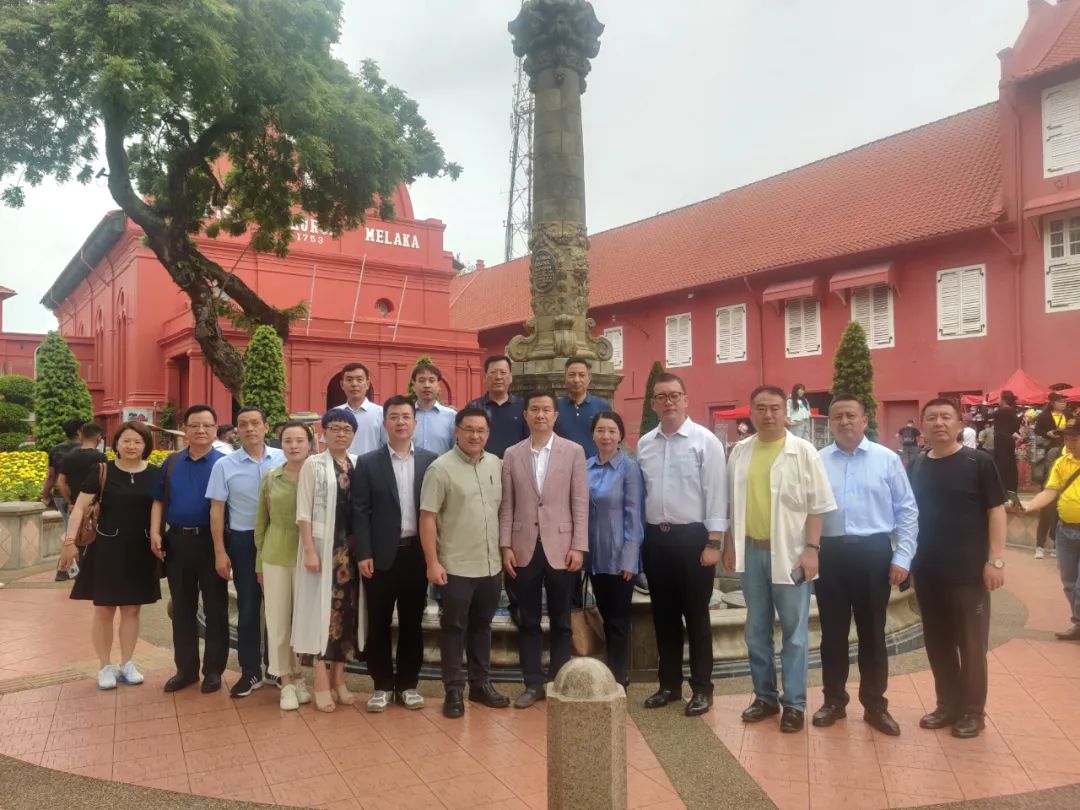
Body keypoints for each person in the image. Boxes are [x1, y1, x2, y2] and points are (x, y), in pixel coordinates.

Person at [724, 385, 835, 733]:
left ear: (785, 412)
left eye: (774, 408)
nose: (768, 414)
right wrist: (729, 544)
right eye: (761, 408)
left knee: (795, 633)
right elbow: (731, 504)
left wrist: (812, 549)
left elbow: (818, 506)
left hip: (791, 554)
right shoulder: (740, 451)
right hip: (751, 551)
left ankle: (795, 703)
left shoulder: (803, 451)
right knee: (756, 630)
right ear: (751, 412)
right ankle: (765, 697)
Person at [814, 395, 919, 736]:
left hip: (873, 552)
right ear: (830, 423)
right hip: (829, 553)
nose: (844, 421)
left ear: (864, 420)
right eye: (837, 416)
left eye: (851, 415)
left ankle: (875, 705)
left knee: (873, 632)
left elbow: (907, 510)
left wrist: (902, 557)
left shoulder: (886, 459)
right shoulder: (817, 461)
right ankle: (834, 701)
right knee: (832, 633)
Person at [908, 398, 1006, 739]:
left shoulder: (978, 462)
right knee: (938, 643)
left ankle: (973, 712)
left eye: (946, 417)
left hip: (968, 573)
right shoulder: (917, 465)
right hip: (928, 571)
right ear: (922, 426)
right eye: (931, 418)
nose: (939, 423)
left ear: (959, 424)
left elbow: (996, 511)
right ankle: (947, 705)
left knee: (971, 645)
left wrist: (995, 560)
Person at [637, 373, 728, 717]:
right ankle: (669, 685)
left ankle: (702, 688)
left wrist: (714, 542)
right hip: (656, 540)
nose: (669, 401)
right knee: (664, 616)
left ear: (686, 400)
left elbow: (717, 493)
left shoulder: (705, 441)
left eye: (675, 395)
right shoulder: (645, 444)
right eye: (662, 396)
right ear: (653, 404)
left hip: (693, 539)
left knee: (697, 617)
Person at [419, 406, 511, 718]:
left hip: (489, 564)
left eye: (481, 430)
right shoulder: (440, 469)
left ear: (488, 433)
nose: (475, 435)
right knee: (453, 628)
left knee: (482, 627)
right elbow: (428, 518)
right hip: (455, 565)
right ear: (456, 431)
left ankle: (480, 684)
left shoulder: (496, 464)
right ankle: (453, 690)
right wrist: (432, 562)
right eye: (469, 429)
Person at [500, 390, 589, 708]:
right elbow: (507, 505)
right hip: (523, 546)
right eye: (534, 409)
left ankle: (558, 681)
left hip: (562, 547)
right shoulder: (512, 454)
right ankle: (533, 682)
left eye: (546, 410)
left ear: (555, 415)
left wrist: (579, 546)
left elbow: (580, 502)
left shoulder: (573, 451)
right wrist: (505, 545)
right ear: (525, 415)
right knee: (528, 620)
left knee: (562, 620)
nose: (540, 415)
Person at [59, 421, 161, 690]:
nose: (131, 446)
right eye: (126, 440)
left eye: (137, 441)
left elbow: (159, 508)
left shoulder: (155, 473)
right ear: (116, 443)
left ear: (146, 445)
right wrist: (69, 541)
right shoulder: (103, 470)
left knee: (132, 608)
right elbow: (79, 508)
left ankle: (127, 663)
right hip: (107, 548)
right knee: (104, 609)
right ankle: (105, 666)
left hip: (140, 549)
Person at [353, 396, 437, 712]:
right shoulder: (368, 462)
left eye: (405, 416)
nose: (400, 422)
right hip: (380, 556)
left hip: (416, 554)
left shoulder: (431, 461)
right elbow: (360, 512)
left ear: (414, 422)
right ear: (385, 422)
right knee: (378, 621)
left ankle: (408, 684)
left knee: (413, 622)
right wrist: (364, 552)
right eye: (394, 417)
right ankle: (382, 685)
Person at [206, 405, 285, 698]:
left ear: (266, 427)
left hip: (279, 539)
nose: (250, 428)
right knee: (249, 607)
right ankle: (250, 671)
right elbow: (217, 510)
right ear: (236, 430)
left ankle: (277, 667)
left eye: (255, 423)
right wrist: (220, 551)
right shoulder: (224, 465)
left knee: (278, 606)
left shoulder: (283, 458)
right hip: (243, 542)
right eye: (243, 424)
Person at [150, 405, 228, 694]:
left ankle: (213, 671)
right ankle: (185, 670)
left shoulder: (224, 463)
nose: (201, 430)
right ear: (185, 429)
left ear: (215, 430)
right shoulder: (171, 462)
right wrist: (155, 532)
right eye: (194, 425)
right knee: (182, 608)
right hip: (178, 542)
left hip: (212, 542)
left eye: (207, 425)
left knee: (216, 608)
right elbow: (158, 500)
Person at [294, 409, 363, 712]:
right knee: (320, 615)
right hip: (323, 549)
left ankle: (339, 679)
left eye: (346, 429)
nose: (340, 434)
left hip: (351, 553)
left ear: (354, 434)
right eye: (334, 428)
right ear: (324, 432)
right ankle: (320, 681)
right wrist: (309, 549)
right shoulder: (313, 464)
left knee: (346, 615)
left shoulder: (358, 463)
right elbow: (303, 511)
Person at [255, 421, 314, 711]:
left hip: (309, 558)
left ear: (310, 445)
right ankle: (286, 680)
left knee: (302, 622)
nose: (293, 445)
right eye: (288, 440)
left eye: (299, 440)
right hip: (276, 555)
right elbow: (261, 522)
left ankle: (300, 674)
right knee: (278, 621)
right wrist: (259, 563)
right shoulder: (271, 478)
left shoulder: (319, 476)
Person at [586, 410, 644, 688]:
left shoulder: (629, 468)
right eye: (600, 430)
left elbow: (634, 513)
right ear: (593, 434)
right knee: (604, 616)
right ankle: (607, 669)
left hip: (619, 556)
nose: (606, 436)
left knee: (618, 620)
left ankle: (618, 676)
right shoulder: (585, 467)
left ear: (620, 435)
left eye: (611, 430)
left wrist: (630, 558)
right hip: (593, 556)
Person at [1024, 420, 1080, 639]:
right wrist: (1030, 506)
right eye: (1067, 439)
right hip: (1065, 531)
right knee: (1069, 583)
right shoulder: (1062, 462)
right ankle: (1078, 624)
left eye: (1074, 438)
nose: (1070, 443)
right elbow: (1050, 491)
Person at [41, 417, 83, 580]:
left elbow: (51, 476)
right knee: (73, 532)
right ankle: (64, 569)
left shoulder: (56, 449)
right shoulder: (86, 449)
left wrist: (45, 495)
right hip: (79, 496)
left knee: (70, 529)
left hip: (60, 496)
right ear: (79, 431)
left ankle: (72, 568)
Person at [467, 354, 528, 459]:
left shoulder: (523, 406)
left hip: (515, 463)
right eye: (493, 373)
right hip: (482, 464)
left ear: (511, 377)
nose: (498, 377)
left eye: (503, 372)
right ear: (485, 378)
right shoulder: (474, 407)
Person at [1034, 393, 1069, 558]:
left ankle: (1056, 545)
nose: (1063, 405)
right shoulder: (1044, 416)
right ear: (1053, 403)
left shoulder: (1069, 416)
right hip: (1049, 459)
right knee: (1047, 509)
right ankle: (1039, 545)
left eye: (1065, 402)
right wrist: (1047, 433)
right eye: (1061, 402)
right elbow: (1037, 430)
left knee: (1059, 510)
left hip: (1064, 467)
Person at [554, 356, 611, 459]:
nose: (576, 380)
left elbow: (610, 438)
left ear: (589, 378)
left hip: (595, 466)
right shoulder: (555, 407)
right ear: (565, 378)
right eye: (572, 375)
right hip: (563, 465)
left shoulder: (602, 406)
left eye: (581, 375)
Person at [330, 362, 387, 455]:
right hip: (341, 464)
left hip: (371, 464)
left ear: (367, 384)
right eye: (349, 380)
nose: (354, 384)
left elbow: (387, 445)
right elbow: (328, 444)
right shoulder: (334, 413)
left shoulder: (381, 413)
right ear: (342, 385)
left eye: (359, 380)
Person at [58, 422, 107, 519]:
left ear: (81, 436)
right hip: (94, 507)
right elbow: (105, 481)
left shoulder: (69, 457)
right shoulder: (101, 457)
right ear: (99, 438)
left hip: (75, 506)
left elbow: (60, 483)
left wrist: (71, 502)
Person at [412, 362, 456, 455]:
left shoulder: (451, 416)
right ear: (414, 385)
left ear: (438, 386)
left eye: (431, 381)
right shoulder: (406, 416)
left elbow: (456, 449)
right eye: (421, 381)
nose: (427, 385)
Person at [992, 390, 1022, 509]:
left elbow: (985, 416)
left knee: (1001, 468)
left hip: (1001, 442)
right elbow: (1015, 428)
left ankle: (1002, 496)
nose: (997, 400)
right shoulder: (1013, 411)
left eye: (998, 398)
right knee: (1010, 467)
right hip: (1009, 442)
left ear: (1003, 400)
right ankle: (1012, 496)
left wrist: (984, 404)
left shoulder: (1002, 411)